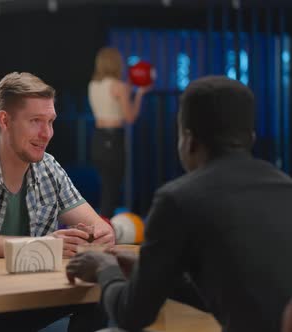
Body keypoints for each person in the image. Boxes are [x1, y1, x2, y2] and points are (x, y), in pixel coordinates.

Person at [67, 76, 292, 332]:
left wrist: (104, 268)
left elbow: (131, 315)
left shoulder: (178, 200)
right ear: (250, 138)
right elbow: (233, 294)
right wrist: (149, 272)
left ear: (188, 139)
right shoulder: (286, 188)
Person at [0, 72, 114, 331]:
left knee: (98, 294)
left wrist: (98, 235)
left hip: (26, 297)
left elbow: (99, 227)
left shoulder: (48, 167)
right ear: (5, 121)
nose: (47, 133)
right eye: (36, 121)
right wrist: (39, 246)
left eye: (50, 121)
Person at [88, 47, 151, 218]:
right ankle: (104, 232)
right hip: (113, 139)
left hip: (97, 139)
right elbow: (130, 117)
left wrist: (128, 88)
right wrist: (139, 95)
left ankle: (101, 226)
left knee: (106, 187)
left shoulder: (93, 85)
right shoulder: (119, 87)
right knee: (111, 191)